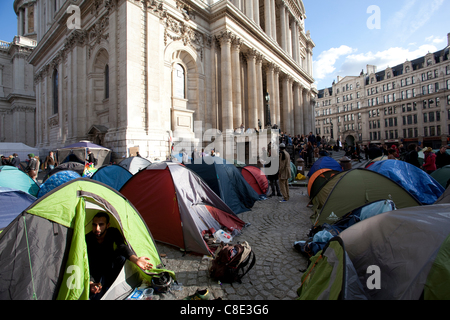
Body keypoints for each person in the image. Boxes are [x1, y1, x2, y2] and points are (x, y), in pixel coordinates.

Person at [86, 212, 154, 300]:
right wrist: (91, 282)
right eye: (94, 225)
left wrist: (136, 259)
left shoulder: (112, 232)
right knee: (95, 296)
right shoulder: (88, 239)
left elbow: (122, 246)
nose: (97, 228)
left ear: (107, 225)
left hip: (110, 266)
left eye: (101, 225)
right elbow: (88, 264)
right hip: (96, 271)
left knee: (121, 257)